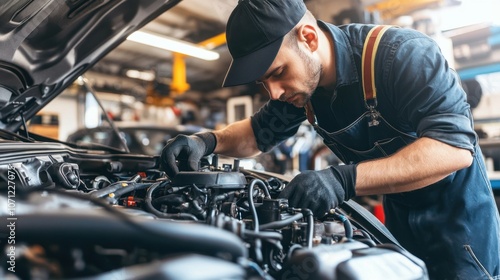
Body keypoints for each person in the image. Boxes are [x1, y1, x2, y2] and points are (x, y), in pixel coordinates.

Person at [160, 0, 500, 279]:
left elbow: (454, 150)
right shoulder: (305, 89)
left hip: (461, 230)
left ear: (308, 37)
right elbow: (255, 134)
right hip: (397, 226)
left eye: (277, 73)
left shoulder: (403, 56)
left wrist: (344, 179)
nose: (274, 92)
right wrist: (206, 141)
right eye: (263, 82)